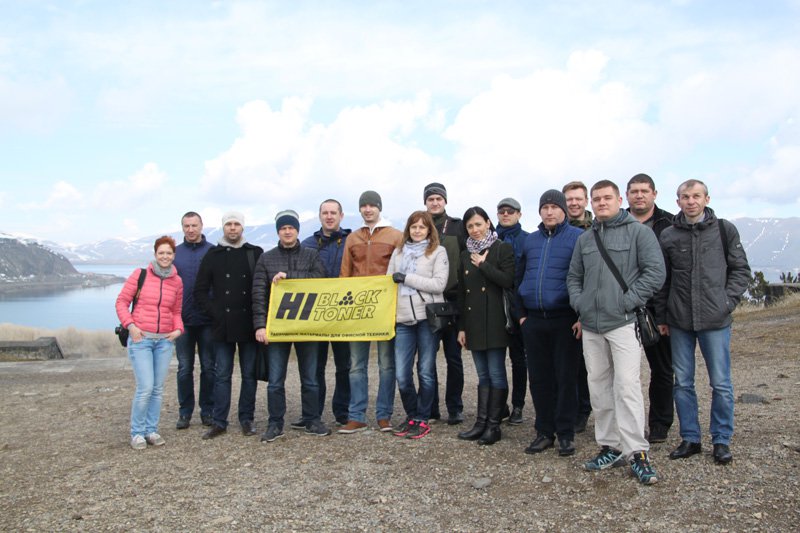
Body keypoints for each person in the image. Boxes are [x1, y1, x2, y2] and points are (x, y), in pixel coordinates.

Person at [567, 180, 665, 485]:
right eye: (596, 199)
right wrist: (580, 304)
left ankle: (637, 452)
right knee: (598, 386)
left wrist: (627, 301)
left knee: (626, 386)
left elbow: (655, 273)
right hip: (592, 326)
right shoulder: (586, 239)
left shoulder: (639, 233)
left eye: (607, 198)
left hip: (623, 323)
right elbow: (574, 277)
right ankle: (610, 446)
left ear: (619, 199)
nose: (601, 203)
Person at [655, 179, 751, 465]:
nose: (691, 201)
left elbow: (740, 270)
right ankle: (690, 438)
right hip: (680, 320)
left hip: (715, 320)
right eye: (685, 197)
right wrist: (662, 316)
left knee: (720, 383)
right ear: (678, 202)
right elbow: (662, 280)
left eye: (696, 196)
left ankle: (721, 440)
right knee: (683, 383)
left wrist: (727, 302)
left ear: (707, 199)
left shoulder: (723, 230)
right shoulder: (669, 235)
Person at [252, 210, 329, 442]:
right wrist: (260, 326)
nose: (287, 231)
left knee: (311, 378)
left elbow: (321, 280)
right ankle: (275, 423)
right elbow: (258, 294)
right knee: (275, 381)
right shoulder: (266, 258)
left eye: (291, 228)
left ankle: (312, 419)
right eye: (283, 228)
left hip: (307, 325)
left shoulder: (311, 255)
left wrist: (289, 276)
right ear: (278, 231)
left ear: (297, 230)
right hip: (278, 327)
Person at [517, 191, 583, 457]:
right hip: (533, 319)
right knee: (539, 379)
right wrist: (521, 314)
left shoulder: (578, 238)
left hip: (565, 318)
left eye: (555, 206)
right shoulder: (531, 241)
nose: (549, 211)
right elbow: (519, 277)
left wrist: (581, 316)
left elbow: (585, 278)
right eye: (545, 207)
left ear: (564, 210)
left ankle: (565, 433)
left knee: (566, 378)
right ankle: (544, 431)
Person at [337, 191, 404, 434]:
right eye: (363, 205)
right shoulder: (353, 238)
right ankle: (357, 416)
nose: (367, 209)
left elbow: (401, 271)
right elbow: (345, 273)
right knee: (356, 365)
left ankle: (384, 415)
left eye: (372, 205)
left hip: (385, 309)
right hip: (358, 310)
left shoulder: (396, 235)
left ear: (379, 208)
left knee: (387, 364)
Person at [194, 212, 264, 440]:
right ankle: (219, 421)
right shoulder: (212, 255)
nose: (233, 228)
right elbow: (200, 291)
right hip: (222, 325)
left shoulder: (255, 253)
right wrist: (215, 313)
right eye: (228, 224)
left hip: (249, 324)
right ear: (223, 228)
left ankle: (247, 418)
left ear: (242, 227)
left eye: (236, 224)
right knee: (222, 375)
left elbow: (263, 287)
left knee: (249, 375)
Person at [116, 236, 184, 450]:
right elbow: (121, 302)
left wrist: (178, 329)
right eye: (161, 253)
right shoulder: (140, 275)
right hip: (141, 340)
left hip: (164, 342)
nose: (165, 256)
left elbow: (176, 311)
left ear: (174, 255)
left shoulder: (177, 281)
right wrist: (131, 326)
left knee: (157, 389)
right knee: (145, 387)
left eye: (169, 253)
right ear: (155, 254)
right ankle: (137, 432)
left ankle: (151, 430)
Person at [456, 206, 515, 446]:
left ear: (488, 223)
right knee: (482, 375)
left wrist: (484, 264)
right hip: (474, 322)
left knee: (496, 373)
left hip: (496, 321)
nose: (475, 229)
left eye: (478, 224)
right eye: (470, 226)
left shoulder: (502, 248)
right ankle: (481, 423)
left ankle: (493, 425)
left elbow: (508, 281)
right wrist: (461, 327)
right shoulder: (464, 254)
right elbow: (462, 293)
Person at [387, 211, 449, 440]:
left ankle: (423, 417)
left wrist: (407, 278)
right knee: (402, 374)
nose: (417, 231)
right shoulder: (398, 252)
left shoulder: (438, 252)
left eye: (422, 227)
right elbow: (389, 282)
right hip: (403, 319)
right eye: (414, 227)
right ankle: (412, 415)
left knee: (425, 371)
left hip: (427, 318)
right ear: (408, 229)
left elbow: (439, 284)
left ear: (429, 230)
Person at [625, 174, 675, 443]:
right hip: (623, 307)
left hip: (658, 307)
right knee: (622, 372)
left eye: (644, 191)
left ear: (654, 194)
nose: (639, 195)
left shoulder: (669, 223)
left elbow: (673, 269)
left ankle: (660, 423)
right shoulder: (615, 222)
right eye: (634, 191)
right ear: (627, 195)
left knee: (663, 369)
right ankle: (624, 424)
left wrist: (667, 313)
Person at [298, 199, 352, 427]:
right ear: (319, 216)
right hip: (316, 315)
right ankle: (312, 413)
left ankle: (343, 411)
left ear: (341, 216)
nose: (329, 216)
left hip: (344, 314)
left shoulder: (351, 241)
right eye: (325, 213)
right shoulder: (307, 244)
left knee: (344, 366)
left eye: (333, 213)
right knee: (314, 367)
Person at [423, 182, 465, 425]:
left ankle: (455, 407)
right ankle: (431, 408)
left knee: (454, 358)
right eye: (431, 199)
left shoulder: (458, 226)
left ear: (445, 201)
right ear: (425, 202)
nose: (435, 202)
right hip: (427, 302)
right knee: (427, 359)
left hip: (452, 300)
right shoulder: (419, 226)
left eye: (439, 198)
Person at [173, 211, 215, 430]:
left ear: (201, 226)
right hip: (182, 321)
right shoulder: (175, 253)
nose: (190, 230)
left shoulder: (214, 252)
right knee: (184, 368)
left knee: (209, 367)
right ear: (182, 228)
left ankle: (207, 411)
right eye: (186, 226)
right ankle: (185, 412)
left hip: (208, 321)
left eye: (194, 225)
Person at [562, 180, 593, 433]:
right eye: (569, 199)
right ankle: (574, 410)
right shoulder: (556, 228)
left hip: (588, 304)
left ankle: (587, 409)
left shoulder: (596, 229)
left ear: (586, 201)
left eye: (578, 198)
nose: (573, 203)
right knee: (569, 364)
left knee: (591, 365)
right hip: (564, 304)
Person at [495, 197, 529, 425]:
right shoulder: (490, 239)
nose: (506, 214)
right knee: (496, 360)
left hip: (518, 306)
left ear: (519, 214)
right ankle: (499, 405)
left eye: (510, 211)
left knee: (518, 359)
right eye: (502, 211)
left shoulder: (527, 240)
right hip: (495, 306)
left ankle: (518, 405)